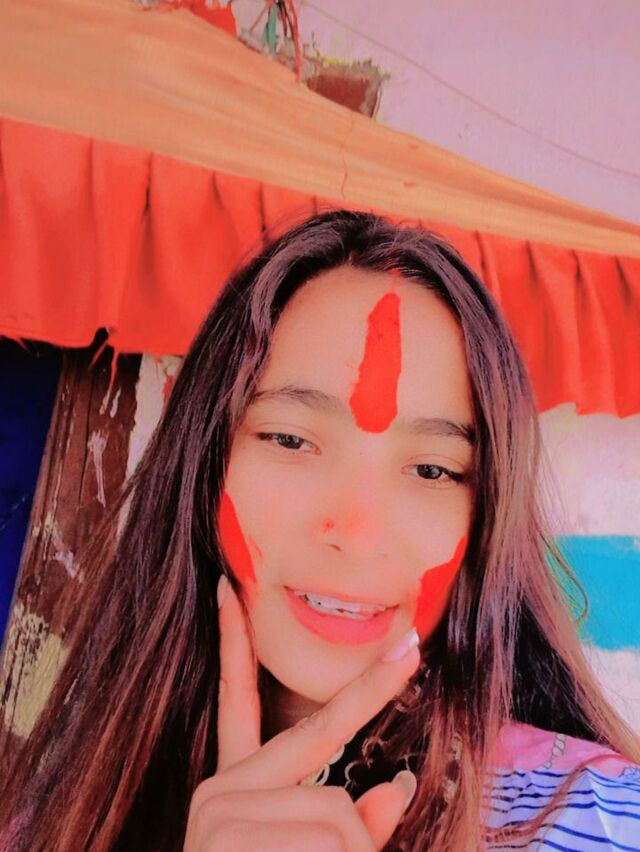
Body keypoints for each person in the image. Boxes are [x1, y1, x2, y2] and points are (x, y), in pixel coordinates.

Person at [1, 210, 639, 851]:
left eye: (431, 469)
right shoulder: (64, 815)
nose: (356, 533)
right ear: (203, 462)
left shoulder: (600, 822)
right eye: (290, 440)